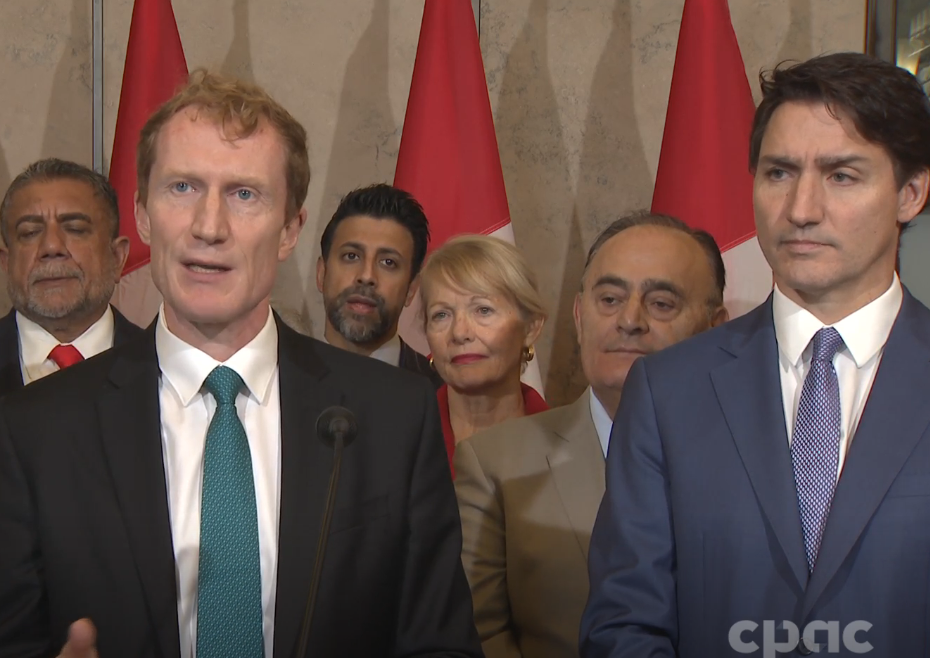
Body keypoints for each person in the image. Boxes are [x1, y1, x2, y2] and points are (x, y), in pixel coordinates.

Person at [0, 70, 481, 658]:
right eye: (182, 188)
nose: (209, 227)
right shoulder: (36, 429)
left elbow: (441, 643)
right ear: (144, 215)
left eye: (244, 194)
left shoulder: (394, 416)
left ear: (290, 230)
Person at [581, 52, 930, 657]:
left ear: (910, 193)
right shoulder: (668, 392)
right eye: (779, 173)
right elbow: (624, 624)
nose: (801, 209)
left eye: (841, 175)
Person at [455, 212, 728, 658]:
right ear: (580, 316)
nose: (629, 320)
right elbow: (475, 635)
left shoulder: (762, 460)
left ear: (715, 327)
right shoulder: (495, 464)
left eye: (661, 303)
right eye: (610, 299)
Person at [0, 158, 142, 395]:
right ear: (6, 262)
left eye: (75, 229)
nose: (51, 247)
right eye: (30, 232)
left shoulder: (163, 364)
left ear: (117, 257)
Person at [420, 234, 547, 472]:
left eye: (483, 310)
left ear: (530, 328)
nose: (460, 332)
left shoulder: (570, 449)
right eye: (441, 315)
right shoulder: (396, 439)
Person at [316, 184, 441, 387]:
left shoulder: (442, 395)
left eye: (388, 262)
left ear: (411, 288)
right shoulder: (278, 377)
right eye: (351, 256)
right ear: (322, 273)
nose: (366, 276)